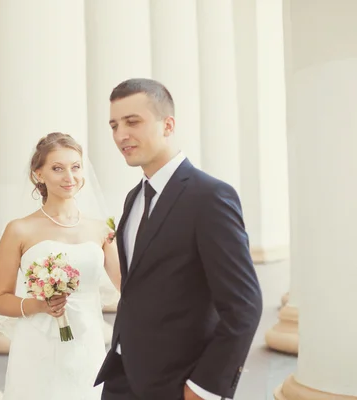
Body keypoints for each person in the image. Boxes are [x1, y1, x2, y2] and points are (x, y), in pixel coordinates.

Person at [94, 78, 263, 400]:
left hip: (179, 383)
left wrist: (205, 389)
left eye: (132, 122)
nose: (120, 135)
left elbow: (244, 306)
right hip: (122, 375)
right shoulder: (134, 198)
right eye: (114, 125)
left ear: (168, 125)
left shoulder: (210, 197)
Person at [0, 132, 121, 400]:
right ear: (39, 174)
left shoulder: (102, 228)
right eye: (57, 168)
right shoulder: (18, 229)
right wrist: (41, 305)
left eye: (75, 167)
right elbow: (1, 301)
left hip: (87, 343)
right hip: (37, 344)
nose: (69, 177)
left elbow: (128, 285)